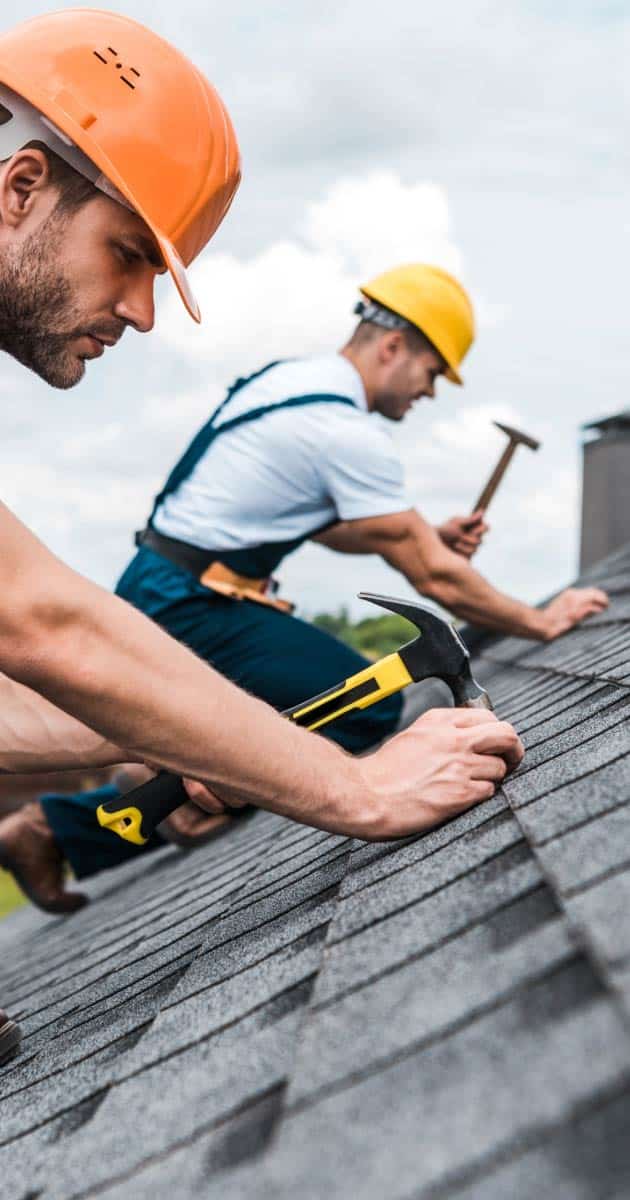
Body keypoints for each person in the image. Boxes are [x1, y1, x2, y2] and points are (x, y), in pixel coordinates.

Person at [0, 11, 524, 1050]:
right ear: (21, 190)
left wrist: (210, 741)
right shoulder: (328, 412)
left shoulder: (289, 389)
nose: (145, 314)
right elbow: (38, 623)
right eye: (130, 254)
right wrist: (355, 787)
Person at [1, 265, 606, 904]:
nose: (428, 394)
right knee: (362, 706)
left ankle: (102, 811)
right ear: (393, 346)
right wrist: (540, 620)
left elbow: (331, 528)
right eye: (432, 373)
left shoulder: (291, 384)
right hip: (195, 600)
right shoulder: (344, 429)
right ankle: (110, 811)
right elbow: (435, 578)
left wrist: (425, 531)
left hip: (171, 581)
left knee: (261, 714)